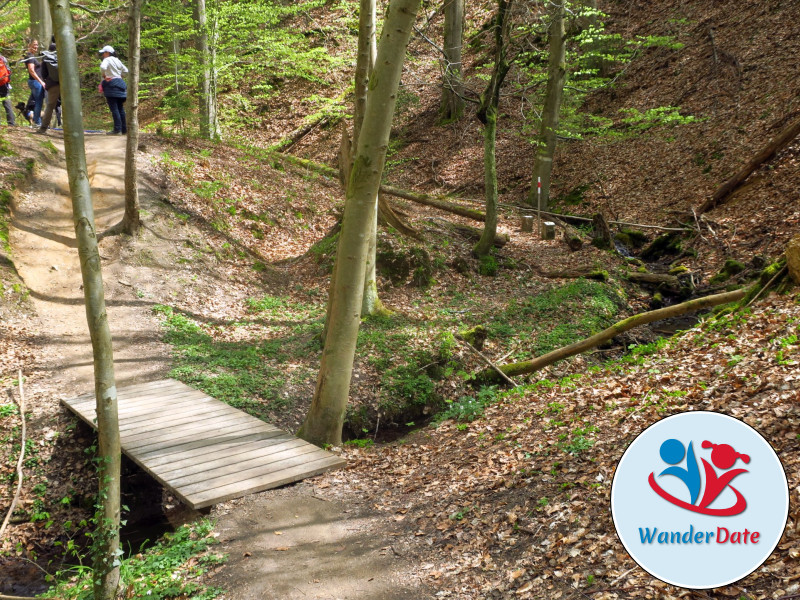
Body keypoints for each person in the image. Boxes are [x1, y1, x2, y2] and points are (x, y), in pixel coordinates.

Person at [98, 45, 128, 135]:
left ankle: (117, 130)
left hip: (111, 84)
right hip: (121, 84)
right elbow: (126, 71)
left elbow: (103, 68)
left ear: (107, 53)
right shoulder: (117, 60)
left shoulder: (107, 60)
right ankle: (124, 129)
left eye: (104, 53)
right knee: (120, 109)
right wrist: (120, 76)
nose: (103, 55)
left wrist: (104, 76)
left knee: (114, 109)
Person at [36, 43, 60, 134]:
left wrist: (48, 81)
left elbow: (43, 73)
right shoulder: (64, 56)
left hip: (53, 84)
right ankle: (73, 128)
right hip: (67, 85)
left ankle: (43, 128)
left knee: (50, 106)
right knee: (69, 105)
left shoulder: (46, 58)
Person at [22, 39, 45, 126]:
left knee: (36, 101)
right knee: (38, 102)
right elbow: (31, 70)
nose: (36, 46)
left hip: (35, 82)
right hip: (35, 82)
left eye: (37, 44)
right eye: (34, 44)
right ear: (29, 45)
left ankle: (37, 121)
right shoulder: (29, 56)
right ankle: (38, 122)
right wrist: (41, 82)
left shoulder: (31, 56)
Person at [0, 53, 15, 126]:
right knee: (7, 103)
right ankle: (11, 123)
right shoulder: (2, 58)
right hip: (4, 84)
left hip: (3, 83)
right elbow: (8, 70)